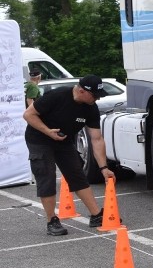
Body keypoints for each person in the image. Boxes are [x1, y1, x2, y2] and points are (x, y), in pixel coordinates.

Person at [23, 74, 116, 236]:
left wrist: (104, 167)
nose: (97, 99)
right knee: (47, 176)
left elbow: (97, 139)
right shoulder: (57, 96)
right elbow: (28, 115)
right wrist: (47, 131)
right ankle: (51, 220)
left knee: (77, 174)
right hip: (39, 139)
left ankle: (96, 215)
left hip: (64, 141)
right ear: (81, 91)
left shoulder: (91, 107)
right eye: (94, 95)